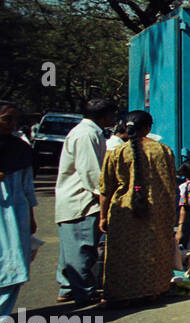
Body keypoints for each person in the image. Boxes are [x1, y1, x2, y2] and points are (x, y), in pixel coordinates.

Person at [99, 110, 177, 305]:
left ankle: (122, 293)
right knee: (154, 249)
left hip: (124, 210)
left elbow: (105, 188)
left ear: (126, 127)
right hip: (156, 209)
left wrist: (102, 216)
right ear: (149, 128)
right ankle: (153, 290)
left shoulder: (117, 152)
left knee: (124, 252)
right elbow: (171, 182)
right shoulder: (164, 151)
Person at [54, 98, 116, 304]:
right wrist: (105, 197)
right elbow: (91, 172)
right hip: (81, 200)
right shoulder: (87, 134)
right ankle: (85, 293)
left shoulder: (88, 132)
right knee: (82, 249)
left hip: (75, 200)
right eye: (111, 114)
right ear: (103, 115)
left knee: (71, 250)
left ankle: (68, 288)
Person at [0, 101, 37, 319]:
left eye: (15, 120)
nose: (12, 124)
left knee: (14, 266)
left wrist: (31, 217)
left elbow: (27, 187)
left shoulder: (21, 149)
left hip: (16, 215)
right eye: (6, 119)